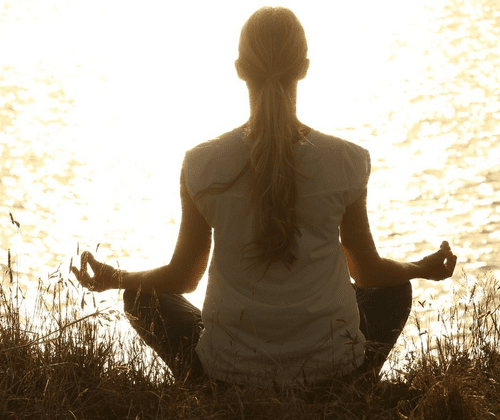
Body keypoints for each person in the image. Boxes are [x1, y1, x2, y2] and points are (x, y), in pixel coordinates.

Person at [72, 6, 457, 393]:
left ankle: (209, 390)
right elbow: (368, 273)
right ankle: (348, 387)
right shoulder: (347, 160)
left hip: (228, 375)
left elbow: (184, 277)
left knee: (140, 297)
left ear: (240, 69)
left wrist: (114, 278)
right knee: (394, 288)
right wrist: (420, 267)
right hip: (332, 371)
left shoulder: (201, 164)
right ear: (304, 67)